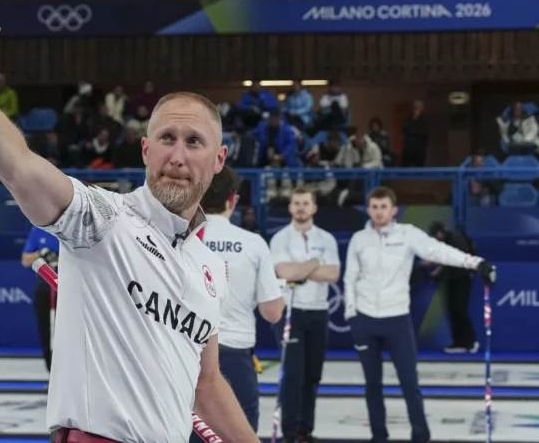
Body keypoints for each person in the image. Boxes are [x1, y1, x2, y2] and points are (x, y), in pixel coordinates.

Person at [0, 0, 259, 443]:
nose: (178, 156)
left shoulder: (211, 269)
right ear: (146, 150)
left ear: (220, 159)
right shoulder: (104, 218)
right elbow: (20, 167)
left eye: (194, 142)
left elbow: (206, 385)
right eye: (167, 139)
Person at [344, 186, 495, 443]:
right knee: (372, 385)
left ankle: (421, 435)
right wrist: (352, 316)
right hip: (366, 321)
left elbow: (440, 251)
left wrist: (475, 262)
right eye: (374, 207)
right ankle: (378, 436)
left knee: (409, 383)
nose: (379, 212)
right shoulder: (359, 239)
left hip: (397, 320)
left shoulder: (408, 234)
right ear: (368, 209)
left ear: (393, 210)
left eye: (383, 207)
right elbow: (350, 278)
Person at [190, 165, 285, 439]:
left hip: (188, 357)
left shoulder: (179, 239)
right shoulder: (253, 243)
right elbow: (273, 312)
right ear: (233, 200)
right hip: (235, 356)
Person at [269, 186, 340, 443]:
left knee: (312, 375)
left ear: (314, 207)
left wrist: (300, 270)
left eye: (305, 203)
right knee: (293, 376)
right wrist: (315, 264)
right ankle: (289, 432)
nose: (300, 207)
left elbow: (333, 274)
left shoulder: (327, 239)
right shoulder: (280, 239)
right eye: (296, 203)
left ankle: (305, 431)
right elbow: (284, 272)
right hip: (292, 312)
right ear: (290, 207)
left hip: (319, 311)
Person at [427, 221, 479, 353]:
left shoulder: (456, 239)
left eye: (435, 235)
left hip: (461, 279)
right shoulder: (446, 241)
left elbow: (454, 262)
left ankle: (469, 343)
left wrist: (438, 272)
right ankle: (459, 342)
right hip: (452, 279)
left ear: (440, 232)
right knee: (453, 310)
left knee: (459, 310)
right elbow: (444, 260)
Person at [21, 225, 60, 372]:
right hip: (44, 288)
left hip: (67, 289)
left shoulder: (69, 228)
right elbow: (25, 260)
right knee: (46, 333)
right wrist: (41, 253)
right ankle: (52, 375)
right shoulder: (38, 230)